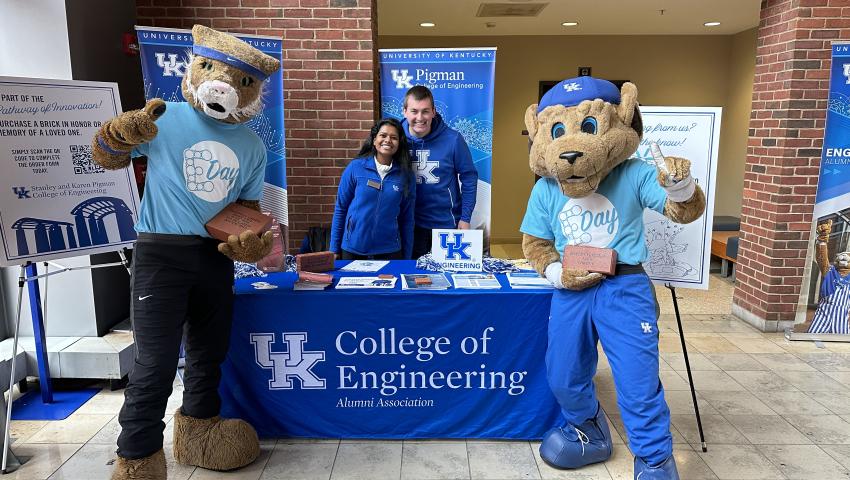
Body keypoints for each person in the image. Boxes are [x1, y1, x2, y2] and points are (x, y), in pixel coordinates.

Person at [401, 85, 478, 258]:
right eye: (414, 111)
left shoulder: (453, 139)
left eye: (425, 111)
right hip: (408, 225)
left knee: (446, 274)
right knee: (411, 273)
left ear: (434, 112)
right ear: (405, 111)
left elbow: (469, 178)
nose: (420, 117)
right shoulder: (395, 139)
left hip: (445, 224)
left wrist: (465, 218)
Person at [330, 118, 416, 260]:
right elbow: (341, 208)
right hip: (353, 249)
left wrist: (407, 258)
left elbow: (407, 219)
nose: (388, 140)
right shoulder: (355, 168)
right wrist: (333, 249)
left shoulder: (406, 176)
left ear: (399, 143)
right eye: (383, 135)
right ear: (374, 140)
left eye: (394, 137)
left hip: (390, 250)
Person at [808, 219, 850, 334]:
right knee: (812, 336)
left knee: (841, 341)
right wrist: (822, 241)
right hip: (824, 312)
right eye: (841, 255)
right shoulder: (830, 271)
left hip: (842, 315)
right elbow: (822, 259)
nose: (843, 257)